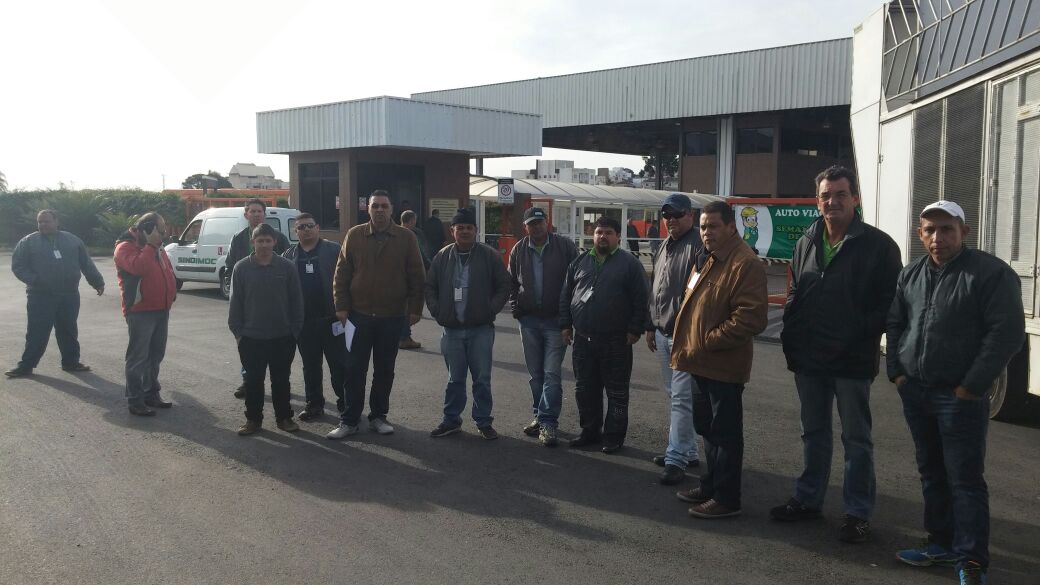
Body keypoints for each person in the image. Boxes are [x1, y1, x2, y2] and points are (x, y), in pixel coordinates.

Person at [888, 200, 1024, 585]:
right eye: (930, 230)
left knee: (964, 478)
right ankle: (941, 543)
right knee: (931, 472)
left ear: (964, 231)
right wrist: (897, 372)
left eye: (947, 229)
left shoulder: (990, 274)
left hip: (959, 396)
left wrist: (971, 387)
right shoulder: (911, 273)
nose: (938, 237)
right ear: (920, 234)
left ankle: (971, 559)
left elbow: (1006, 334)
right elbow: (896, 321)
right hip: (916, 391)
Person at [769, 166, 902, 543]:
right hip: (809, 358)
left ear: (855, 199)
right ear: (818, 200)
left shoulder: (879, 245)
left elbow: (889, 304)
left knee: (856, 439)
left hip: (851, 360)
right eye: (826, 195)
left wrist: (858, 338)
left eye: (841, 194)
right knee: (813, 433)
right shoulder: (807, 240)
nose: (833, 202)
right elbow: (796, 290)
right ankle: (808, 500)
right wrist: (791, 335)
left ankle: (857, 512)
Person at [670, 200, 767, 518]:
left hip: (722, 365)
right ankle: (711, 486)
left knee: (725, 433)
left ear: (730, 227)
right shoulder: (708, 258)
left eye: (713, 226)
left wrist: (708, 341)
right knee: (707, 428)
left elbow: (750, 319)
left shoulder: (744, 263)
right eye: (703, 227)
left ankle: (727, 498)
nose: (706, 233)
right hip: (699, 362)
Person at [327, 191, 425, 440]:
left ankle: (378, 417)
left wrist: (415, 308)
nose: (379, 210)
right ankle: (349, 420)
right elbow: (342, 273)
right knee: (354, 370)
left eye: (384, 206)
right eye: (375, 206)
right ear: (367, 209)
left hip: (391, 316)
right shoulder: (355, 235)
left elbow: (416, 274)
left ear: (391, 209)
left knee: (384, 370)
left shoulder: (406, 237)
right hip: (358, 315)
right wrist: (341, 306)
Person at [560, 216, 649, 454]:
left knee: (617, 393)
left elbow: (641, 299)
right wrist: (565, 325)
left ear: (618, 236)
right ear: (593, 234)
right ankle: (590, 431)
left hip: (616, 341)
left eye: (608, 232)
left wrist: (635, 329)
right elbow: (566, 296)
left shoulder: (629, 264)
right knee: (584, 390)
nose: (603, 236)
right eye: (599, 232)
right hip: (583, 339)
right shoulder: (579, 262)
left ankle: (613, 437)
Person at [426, 208, 510, 440]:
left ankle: (483, 421)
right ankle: (451, 420)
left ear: (476, 230)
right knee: (455, 379)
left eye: (469, 227)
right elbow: (430, 287)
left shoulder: (489, 255)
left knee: (482, 379)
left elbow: (505, 284)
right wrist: (438, 311)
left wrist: (489, 310)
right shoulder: (442, 257)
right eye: (460, 227)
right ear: (452, 231)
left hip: (480, 330)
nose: (464, 231)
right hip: (451, 329)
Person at [508, 207, 578, 447]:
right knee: (535, 374)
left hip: (556, 321)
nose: (536, 227)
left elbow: (577, 280)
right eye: (531, 224)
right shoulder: (519, 249)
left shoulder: (564, 246)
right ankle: (539, 415)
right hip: (528, 321)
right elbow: (512, 282)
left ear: (547, 223)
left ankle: (548, 422)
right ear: (525, 227)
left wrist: (569, 315)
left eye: (540, 222)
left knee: (551, 373)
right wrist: (515, 305)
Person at [645, 194, 702, 485]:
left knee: (681, 397)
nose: (671, 220)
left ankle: (676, 457)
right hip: (662, 330)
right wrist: (650, 324)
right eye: (667, 216)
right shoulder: (664, 245)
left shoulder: (698, 244)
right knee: (674, 394)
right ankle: (688, 450)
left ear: (690, 215)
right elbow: (656, 288)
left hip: (684, 335)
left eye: (677, 215)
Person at [7, 209, 105, 377]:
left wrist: (97, 282)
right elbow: (18, 266)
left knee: (68, 329)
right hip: (40, 295)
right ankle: (26, 366)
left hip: (69, 294)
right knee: (37, 331)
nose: (43, 225)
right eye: (40, 222)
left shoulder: (72, 241)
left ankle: (71, 362)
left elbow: (86, 264)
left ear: (56, 222)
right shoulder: (28, 242)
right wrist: (35, 280)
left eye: (46, 221)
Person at [228, 223, 304, 436]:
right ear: (253, 242)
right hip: (251, 337)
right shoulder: (241, 268)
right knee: (253, 381)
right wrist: (238, 333)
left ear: (274, 242)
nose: (264, 244)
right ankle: (253, 420)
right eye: (259, 240)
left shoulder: (287, 267)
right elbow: (236, 303)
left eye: (267, 240)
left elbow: (297, 301)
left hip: (283, 336)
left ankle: (284, 418)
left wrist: (294, 331)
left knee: (281, 380)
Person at [282, 213, 345, 422]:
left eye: (309, 226)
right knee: (310, 366)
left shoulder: (334, 250)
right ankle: (314, 404)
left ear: (318, 227)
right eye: (301, 227)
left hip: (332, 319)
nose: (306, 230)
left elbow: (346, 279)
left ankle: (345, 403)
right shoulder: (288, 255)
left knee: (339, 365)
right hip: (304, 322)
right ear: (295, 231)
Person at [114, 213, 177, 416]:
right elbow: (139, 267)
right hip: (141, 312)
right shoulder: (125, 247)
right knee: (138, 357)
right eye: (160, 229)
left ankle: (151, 393)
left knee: (155, 355)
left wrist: (171, 294)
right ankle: (135, 399)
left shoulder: (157, 247)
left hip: (161, 308)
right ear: (147, 229)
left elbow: (167, 270)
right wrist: (150, 246)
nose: (163, 233)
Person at [226, 198, 290, 399]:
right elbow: (230, 266)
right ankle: (249, 381)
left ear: (265, 214)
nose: (256, 214)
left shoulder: (278, 237)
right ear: (246, 215)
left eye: (259, 211)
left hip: (275, 304)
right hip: (247, 303)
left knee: (277, 352)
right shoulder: (238, 238)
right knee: (248, 346)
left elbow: (289, 266)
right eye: (252, 211)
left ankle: (279, 384)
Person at [399, 209, 431, 350]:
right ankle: (405, 337)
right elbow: (420, 254)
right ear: (411, 220)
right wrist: (430, 265)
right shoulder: (410, 235)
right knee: (407, 308)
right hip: (408, 276)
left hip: (398, 276)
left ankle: (401, 335)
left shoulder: (395, 233)